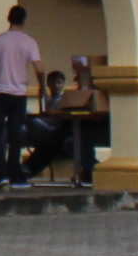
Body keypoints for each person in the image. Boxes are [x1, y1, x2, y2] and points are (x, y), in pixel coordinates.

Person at [0, 4, 44, 189]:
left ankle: (0, 173)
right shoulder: (29, 42)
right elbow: (40, 68)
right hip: (19, 94)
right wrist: (42, 87)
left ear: (8, 19)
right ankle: (16, 175)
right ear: (24, 20)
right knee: (15, 135)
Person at [43, 55, 111, 186]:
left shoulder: (102, 95)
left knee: (68, 136)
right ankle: (92, 171)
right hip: (83, 129)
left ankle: (93, 171)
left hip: (103, 129)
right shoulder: (81, 95)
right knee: (69, 139)